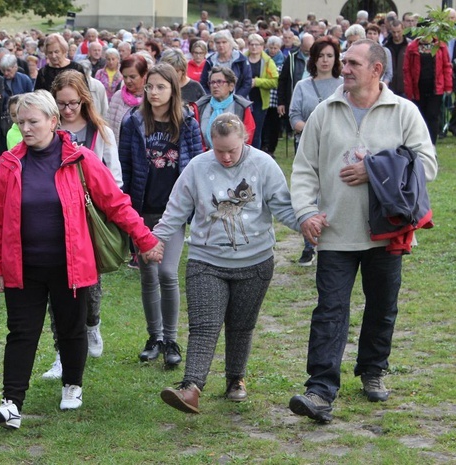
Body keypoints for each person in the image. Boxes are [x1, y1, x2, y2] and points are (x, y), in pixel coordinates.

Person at [0, 90, 163, 429]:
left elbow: (116, 203)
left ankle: (72, 385)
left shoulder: (80, 159)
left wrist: (145, 238)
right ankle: (11, 404)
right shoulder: (10, 163)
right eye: (21, 122)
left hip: (72, 264)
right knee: (21, 333)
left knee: (70, 328)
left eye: (33, 121)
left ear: (53, 121)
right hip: (23, 267)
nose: (26, 128)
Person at [288, 40, 438, 424]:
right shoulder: (325, 111)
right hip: (335, 230)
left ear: (377, 70)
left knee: (382, 307)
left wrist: (374, 170)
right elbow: (304, 168)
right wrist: (305, 212)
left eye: (354, 62)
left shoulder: (404, 111)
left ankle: (373, 369)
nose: (345, 67)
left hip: (387, 233)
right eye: (344, 61)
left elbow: (426, 166)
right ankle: (320, 389)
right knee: (329, 311)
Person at [157, 113, 299, 412]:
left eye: (232, 150)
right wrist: (156, 239)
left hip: (255, 261)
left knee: (241, 325)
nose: (225, 156)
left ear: (244, 139)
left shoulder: (263, 165)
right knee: (204, 326)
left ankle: (236, 379)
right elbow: (175, 211)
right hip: (206, 260)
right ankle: (190, 387)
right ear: (211, 143)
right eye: (219, 150)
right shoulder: (197, 167)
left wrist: (309, 224)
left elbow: (283, 207)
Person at [40, 70, 124, 379]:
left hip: (88, 215)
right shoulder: (46, 130)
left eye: (73, 103)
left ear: (84, 101)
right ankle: (61, 353)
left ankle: (92, 325)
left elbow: (114, 177)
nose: (67, 110)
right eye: (61, 104)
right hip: (53, 217)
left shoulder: (100, 132)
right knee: (56, 287)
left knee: (89, 285)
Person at [119, 64, 202, 368]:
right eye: (149, 87)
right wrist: (127, 210)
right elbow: (125, 167)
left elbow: (195, 168)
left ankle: (171, 338)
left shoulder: (188, 123)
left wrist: (193, 207)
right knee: (147, 274)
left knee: (167, 272)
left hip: (174, 212)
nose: (153, 93)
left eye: (160, 87)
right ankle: (154, 337)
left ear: (173, 90)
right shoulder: (134, 122)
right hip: (142, 209)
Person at [289, 36, 343, 267]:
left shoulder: (343, 85)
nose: (325, 60)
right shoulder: (303, 86)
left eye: (329, 56)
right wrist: (313, 130)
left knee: (333, 193)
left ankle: (336, 240)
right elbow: (294, 117)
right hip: (309, 146)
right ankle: (309, 245)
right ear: (313, 59)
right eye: (320, 56)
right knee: (310, 195)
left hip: (336, 147)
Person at [403, 32, 453, 145]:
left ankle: (431, 144)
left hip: (436, 88)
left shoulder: (441, 46)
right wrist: (409, 90)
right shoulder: (412, 48)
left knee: (432, 116)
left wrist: (448, 86)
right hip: (418, 89)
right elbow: (407, 70)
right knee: (420, 116)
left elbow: (447, 66)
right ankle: (420, 143)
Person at [194, 67, 256, 150]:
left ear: (231, 86)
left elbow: (248, 135)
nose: (215, 86)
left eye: (219, 82)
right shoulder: (200, 106)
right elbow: (195, 135)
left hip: (233, 155)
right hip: (205, 155)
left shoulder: (241, 107)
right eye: (212, 82)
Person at [245, 34, 278, 150]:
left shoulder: (268, 61)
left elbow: (274, 81)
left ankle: (255, 154)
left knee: (256, 130)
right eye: (251, 44)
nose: (254, 47)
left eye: (257, 45)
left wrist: (257, 82)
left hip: (260, 101)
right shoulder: (242, 59)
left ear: (262, 46)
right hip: (243, 99)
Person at [106, 54, 149, 144]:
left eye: (132, 77)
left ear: (144, 75)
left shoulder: (151, 96)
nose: (128, 81)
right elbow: (109, 128)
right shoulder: (118, 97)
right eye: (125, 77)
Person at [199, 30, 252, 99]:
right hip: (214, 101)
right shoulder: (210, 60)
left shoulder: (241, 59)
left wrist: (236, 99)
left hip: (237, 101)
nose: (221, 45)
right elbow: (203, 82)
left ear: (230, 43)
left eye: (224, 42)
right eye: (218, 43)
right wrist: (211, 97)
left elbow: (247, 82)